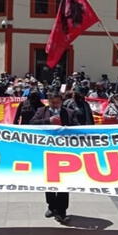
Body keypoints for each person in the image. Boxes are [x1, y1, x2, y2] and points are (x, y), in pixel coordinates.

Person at [31, 93, 76, 223]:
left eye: (57, 103)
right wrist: (47, 121)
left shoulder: (69, 113)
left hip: (64, 153)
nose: (55, 105)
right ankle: (51, 206)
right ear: (48, 102)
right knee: (49, 181)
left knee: (63, 183)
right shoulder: (41, 111)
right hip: (47, 152)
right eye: (52, 103)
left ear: (61, 102)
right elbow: (32, 123)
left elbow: (78, 128)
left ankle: (62, 211)